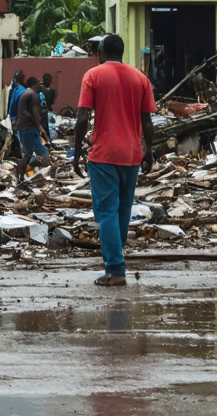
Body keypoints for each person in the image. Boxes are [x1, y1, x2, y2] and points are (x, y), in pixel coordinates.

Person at [73, 34, 156, 287]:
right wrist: (149, 150)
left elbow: (82, 118)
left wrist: (76, 150)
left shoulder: (93, 75)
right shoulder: (140, 78)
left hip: (104, 154)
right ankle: (116, 258)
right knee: (122, 210)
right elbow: (147, 121)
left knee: (107, 212)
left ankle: (116, 269)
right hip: (131, 154)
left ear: (100, 51)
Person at [13, 77, 51, 186]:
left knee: (26, 155)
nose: (41, 86)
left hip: (24, 129)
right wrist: (40, 128)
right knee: (43, 153)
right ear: (35, 84)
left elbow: (22, 111)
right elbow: (32, 115)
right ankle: (46, 178)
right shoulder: (33, 95)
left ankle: (21, 179)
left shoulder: (25, 94)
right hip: (29, 129)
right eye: (39, 84)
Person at [40, 72, 57, 137]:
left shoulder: (51, 91)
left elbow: (51, 102)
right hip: (41, 111)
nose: (49, 81)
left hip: (47, 111)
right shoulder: (41, 90)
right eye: (47, 80)